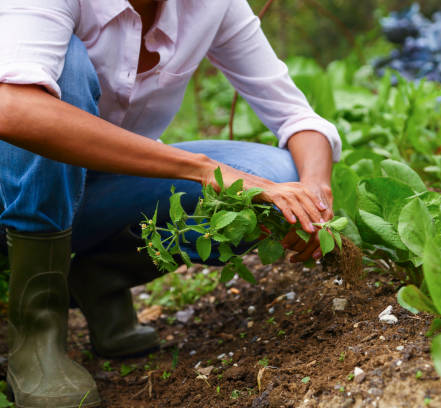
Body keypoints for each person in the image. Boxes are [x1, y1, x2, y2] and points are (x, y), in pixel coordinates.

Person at [0, 0, 341, 406]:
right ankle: (37, 335)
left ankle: (98, 278)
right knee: (65, 64)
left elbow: (295, 116)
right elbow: (13, 109)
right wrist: (201, 169)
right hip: (13, 194)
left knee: (279, 178)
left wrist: (314, 196)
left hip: (95, 194)